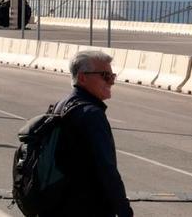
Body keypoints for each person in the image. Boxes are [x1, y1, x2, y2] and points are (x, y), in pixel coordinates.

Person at [52, 50, 132, 217]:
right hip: (87, 207)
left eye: (112, 76)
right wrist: (124, 211)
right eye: (105, 76)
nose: (111, 82)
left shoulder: (61, 105)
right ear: (82, 77)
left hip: (59, 204)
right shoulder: (92, 114)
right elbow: (107, 169)